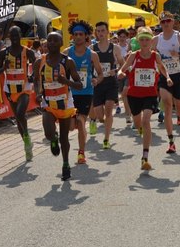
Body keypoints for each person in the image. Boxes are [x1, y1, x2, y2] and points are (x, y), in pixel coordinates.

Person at [117, 26, 171, 170]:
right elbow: (124, 67)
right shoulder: (134, 55)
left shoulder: (155, 55)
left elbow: (162, 67)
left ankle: (145, 157)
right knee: (138, 122)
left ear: (151, 41)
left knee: (146, 120)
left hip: (150, 94)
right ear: (139, 41)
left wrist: (168, 77)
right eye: (142, 40)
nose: (145, 42)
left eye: (147, 39)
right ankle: (140, 128)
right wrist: (120, 73)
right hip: (134, 95)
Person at [33, 31, 82, 180]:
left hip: (65, 103)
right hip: (48, 103)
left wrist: (65, 81)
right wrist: (38, 93)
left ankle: (66, 164)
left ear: (61, 44)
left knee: (64, 137)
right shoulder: (39, 62)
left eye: (55, 40)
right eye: (49, 40)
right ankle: (53, 140)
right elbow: (35, 80)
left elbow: (79, 84)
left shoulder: (68, 62)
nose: (52, 43)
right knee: (49, 133)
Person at [152, 12, 180, 155]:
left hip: (178, 76)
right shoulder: (155, 40)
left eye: (168, 21)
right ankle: (171, 142)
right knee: (167, 104)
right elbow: (147, 53)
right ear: (160, 23)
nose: (165, 23)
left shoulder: (179, 37)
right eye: (162, 21)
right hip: (164, 77)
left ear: (173, 22)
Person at [0, 26, 37, 161]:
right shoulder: (3, 53)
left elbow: (37, 66)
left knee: (20, 114)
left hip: (24, 88)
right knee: (18, 119)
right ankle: (27, 142)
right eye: (12, 36)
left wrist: (32, 76)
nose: (14, 39)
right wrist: (4, 67)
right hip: (10, 89)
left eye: (16, 36)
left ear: (20, 36)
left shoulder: (28, 52)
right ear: (8, 37)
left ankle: (26, 136)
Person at [64, 20, 103, 164]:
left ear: (86, 36)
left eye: (81, 34)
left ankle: (81, 152)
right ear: (72, 36)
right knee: (70, 126)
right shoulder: (66, 54)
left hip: (86, 93)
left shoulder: (92, 55)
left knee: (80, 122)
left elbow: (100, 73)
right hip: (69, 94)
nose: (78, 36)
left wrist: (96, 81)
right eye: (75, 34)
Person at [91, 21, 124, 149]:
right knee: (100, 116)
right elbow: (87, 66)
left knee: (109, 110)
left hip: (110, 83)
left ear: (107, 31)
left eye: (102, 31)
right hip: (98, 84)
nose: (100, 33)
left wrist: (115, 71)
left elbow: (122, 64)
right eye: (98, 31)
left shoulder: (115, 48)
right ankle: (99, 122)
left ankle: (106, 139)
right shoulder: (92, 49)